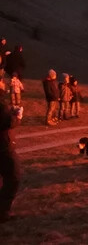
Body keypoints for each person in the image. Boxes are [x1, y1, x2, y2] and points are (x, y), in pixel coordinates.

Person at [0, 93, 22, 223]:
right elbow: (7, 121)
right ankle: (2, 212)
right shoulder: (1, 104)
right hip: (3, 146)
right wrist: (17, 116)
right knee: (13, 177)